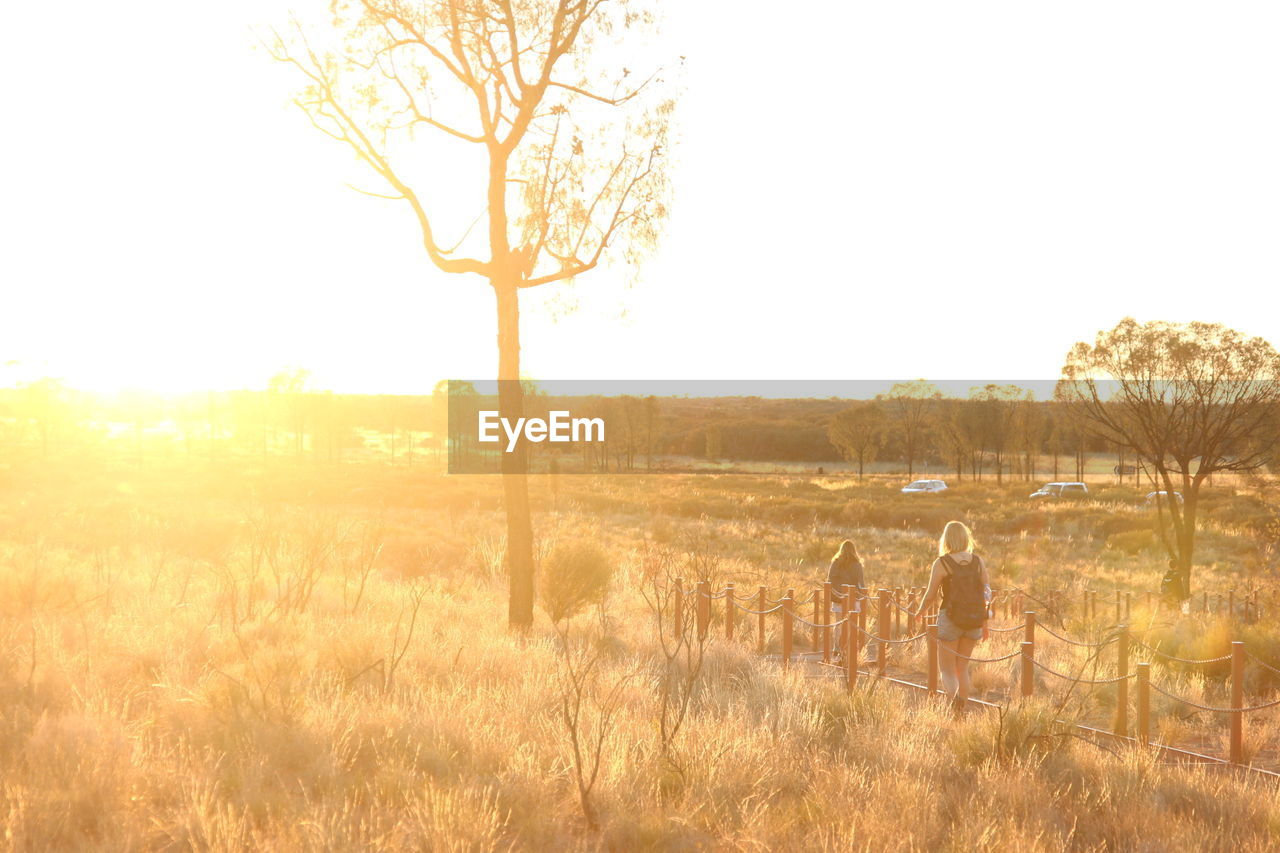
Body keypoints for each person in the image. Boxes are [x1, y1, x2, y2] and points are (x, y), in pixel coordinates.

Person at [914, 521, 990, 713]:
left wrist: (921, 611)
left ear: (946, 539)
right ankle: (961, 709)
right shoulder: (978, 561)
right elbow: (987, 594)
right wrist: (985, 621)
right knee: (962, 669)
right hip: (974, 619)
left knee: (947, 670)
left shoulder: (942, 563)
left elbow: (931, 594)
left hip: (950, 618)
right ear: (966, 538)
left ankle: (955, 704)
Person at [827, 539, 865, 659]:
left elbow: (829, 580)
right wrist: (862, 594)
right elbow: (861, 584)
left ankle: (836, 647)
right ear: (854, 550)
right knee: (851, 624)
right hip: (853, 598)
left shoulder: (835, 563)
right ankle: (848, 648)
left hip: (838, 597)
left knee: (838, 623)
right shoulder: (857, 565)